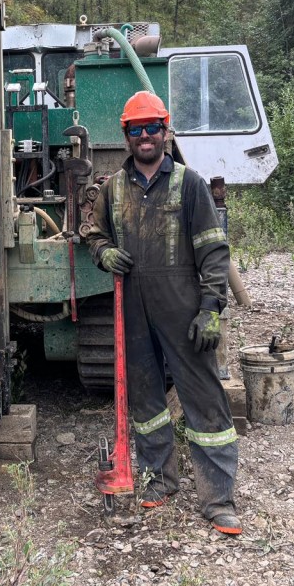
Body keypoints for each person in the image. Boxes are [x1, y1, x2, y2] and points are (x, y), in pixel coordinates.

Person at [87, 91, 241, 535]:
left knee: (205, 399)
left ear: (165, 130)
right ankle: (160, 480)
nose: (146, 136)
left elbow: (214, 251)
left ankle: (218, 499)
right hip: (133, 310)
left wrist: (211, 308)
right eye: (136, 130)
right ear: (126, 136)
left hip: (182, 308)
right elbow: (93, 233)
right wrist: (103, 253)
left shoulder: (189, 184)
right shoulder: (113, 189)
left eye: (153, 127)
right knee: (147, 400)